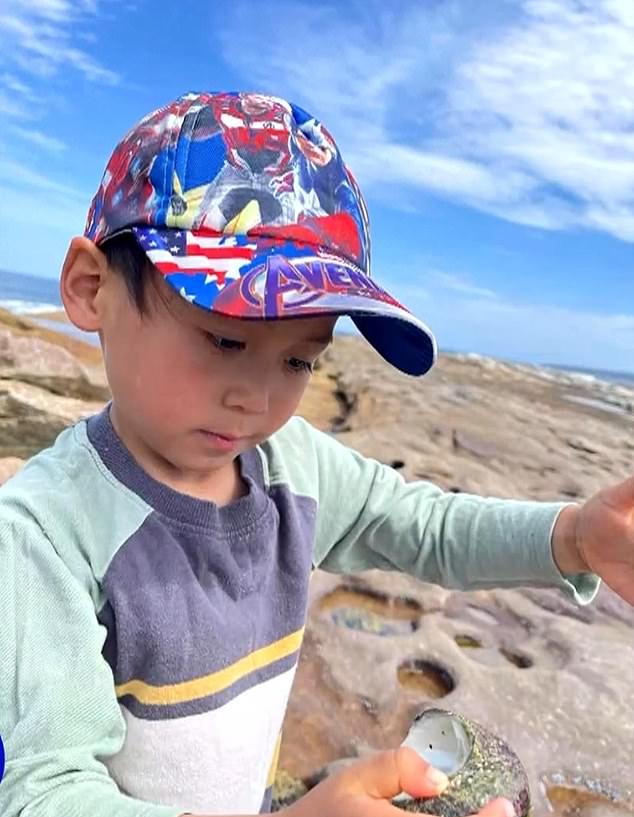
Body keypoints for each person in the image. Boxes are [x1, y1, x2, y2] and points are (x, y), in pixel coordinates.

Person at [1, 91, 632, 817]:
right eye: (226, 339)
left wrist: (572, 536)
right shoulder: (45, 532)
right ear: (91, 289)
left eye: (300, 361)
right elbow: (44, 791)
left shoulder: (289, 466)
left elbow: (424, 526)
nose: (258, 399)